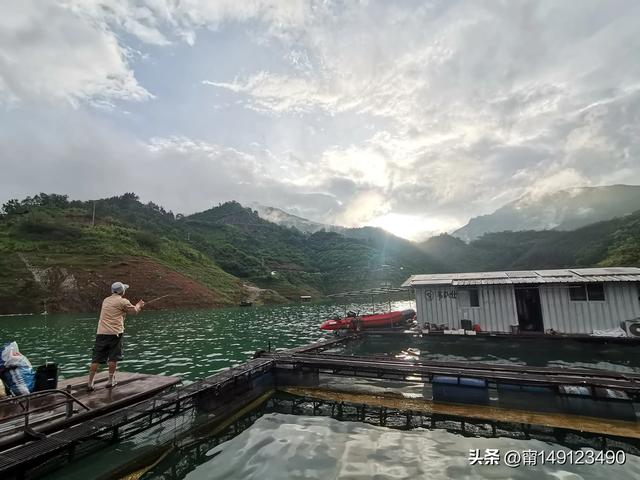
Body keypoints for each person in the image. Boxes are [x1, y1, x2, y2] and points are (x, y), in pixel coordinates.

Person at [87, 282, 144, 391]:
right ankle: (110, 380)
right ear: (122, 291)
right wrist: (139, 305)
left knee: (96, 358)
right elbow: (134, 311)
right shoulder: (123, 301)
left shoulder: (106, 300)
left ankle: (90, 383)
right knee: (113, 357)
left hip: (101, 333)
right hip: (115, 333)